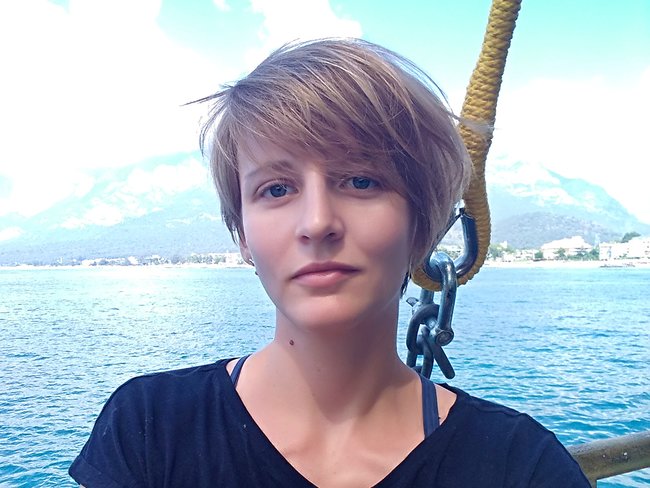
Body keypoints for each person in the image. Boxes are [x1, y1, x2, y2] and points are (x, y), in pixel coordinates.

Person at [69, 38, 589, 487]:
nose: (317, 222)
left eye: (361, 181)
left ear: (422, 224)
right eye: (276, 189)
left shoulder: (520, 466)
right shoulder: (151, 426)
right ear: (242, 235)